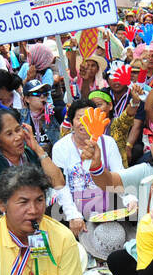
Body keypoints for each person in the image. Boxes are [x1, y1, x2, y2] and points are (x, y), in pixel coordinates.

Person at [0, 78, 64, 221]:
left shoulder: (30, 155)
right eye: (9, 134)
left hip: (34, 224)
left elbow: (58, 183)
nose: (17, 137)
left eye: (18, 129)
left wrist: (38, 149)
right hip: (3, 228)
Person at [51, 100, 125, 237]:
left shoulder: (108, 143)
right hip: (75, 211)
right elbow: (61, 186)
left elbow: (119, 174)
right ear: (72, 123)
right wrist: (73, 215)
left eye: (89, 118)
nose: (84, 122)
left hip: (107, 210)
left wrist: (129, 200)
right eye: (79, 118)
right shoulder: (60, 147)